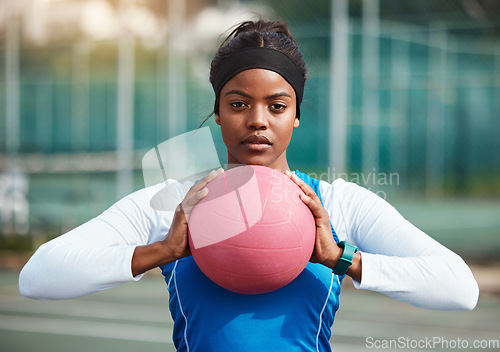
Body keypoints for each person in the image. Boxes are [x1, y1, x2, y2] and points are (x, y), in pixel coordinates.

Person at [19, 20, 479, 351]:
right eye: (239, 103)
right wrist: (162, 250)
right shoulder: (173, 204)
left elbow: (460, 288)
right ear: (217, 112)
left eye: (277, 106)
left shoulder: (339, 203)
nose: (257, 120)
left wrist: (340, 258)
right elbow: (37, 276)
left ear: (296, 115)